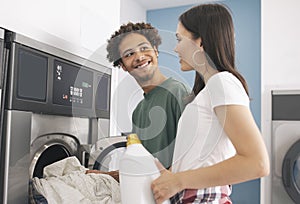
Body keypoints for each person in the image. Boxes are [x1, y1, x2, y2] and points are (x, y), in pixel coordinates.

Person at [151, 4, 270, 204]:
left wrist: (178, 180)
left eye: (180, 39)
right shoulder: (205, 92)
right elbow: (201, 159)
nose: (175, 48)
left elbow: (257, 163)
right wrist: (169, 177)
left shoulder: (222, 82)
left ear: (201, 42)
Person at [87, 22, 190, 178]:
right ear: (122, 65)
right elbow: (142, 169)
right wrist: (105, 176)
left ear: (156, 51)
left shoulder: (177, 92)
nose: (139, 57)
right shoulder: (138, 111)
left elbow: (193, 159)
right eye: (129, 54)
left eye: (144, 48)